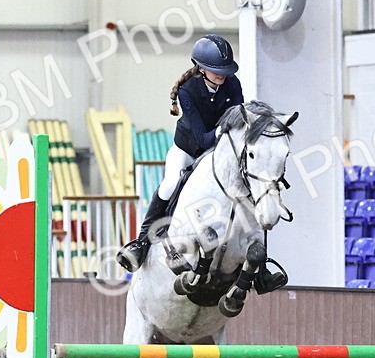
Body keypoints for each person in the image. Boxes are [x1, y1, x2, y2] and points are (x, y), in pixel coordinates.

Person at [117, 35, 287, 293]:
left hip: (219, 153)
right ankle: (141, 243)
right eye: (216, 70)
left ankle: (260, 269)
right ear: (201, 68)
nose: (222, 75)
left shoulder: (232, 83)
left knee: (251, 188)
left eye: (225, 70)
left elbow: (239, 119)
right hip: (188, 149)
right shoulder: (187, 91)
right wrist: (224, 131)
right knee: (171, 183)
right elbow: (201, 137)